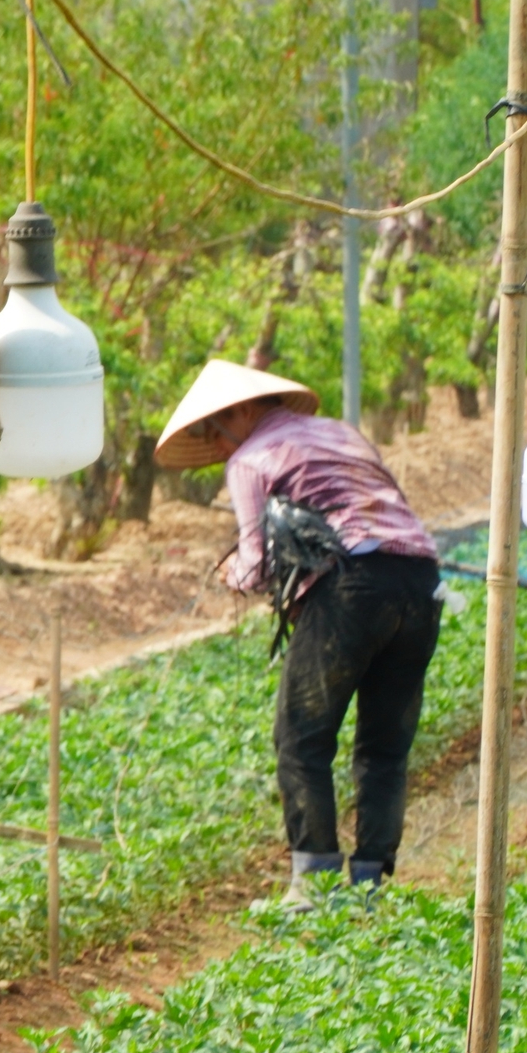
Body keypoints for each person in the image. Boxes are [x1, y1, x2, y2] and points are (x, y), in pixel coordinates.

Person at [156, 359, 441, 908]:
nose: (215, 446)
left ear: (239, 412)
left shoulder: (250, 459)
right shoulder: (342, 433)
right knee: (385, 747)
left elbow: (255, 564)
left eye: (214, 431)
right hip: (420, 581)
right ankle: (371, 883)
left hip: (352, 591)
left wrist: (229, 576)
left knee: (301, 737)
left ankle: (312, 883)